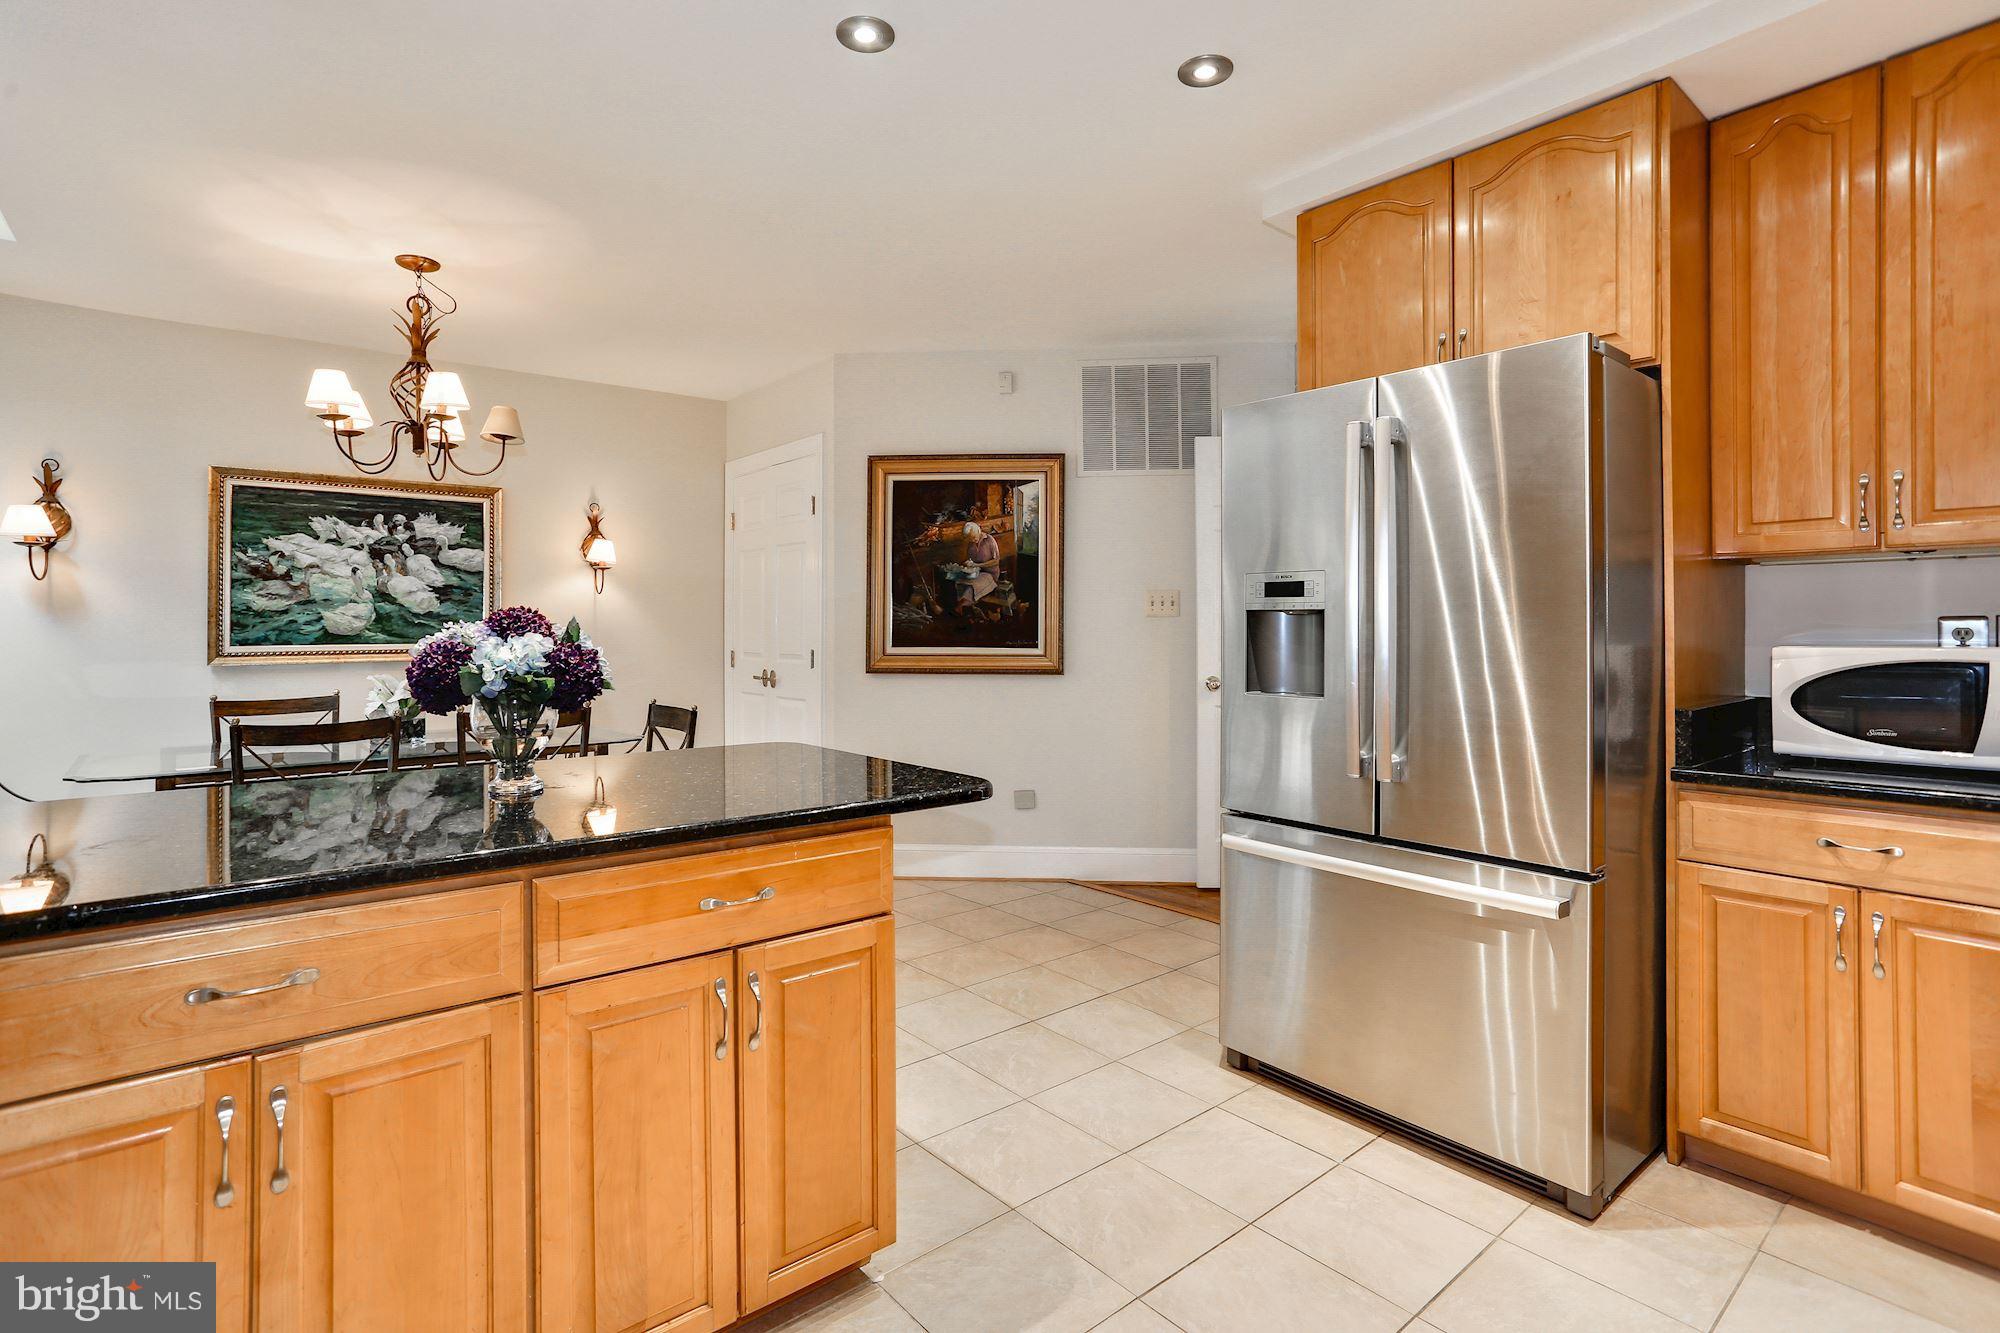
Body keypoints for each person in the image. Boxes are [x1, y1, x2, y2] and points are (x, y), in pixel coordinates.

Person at [955, 521, 1001, 615]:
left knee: (973, 585)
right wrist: (967, 564)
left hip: (991, 574)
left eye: (973, 537)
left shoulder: (989, 540)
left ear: (978, 531)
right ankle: (964, 607)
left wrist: (977, 565)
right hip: (976, 573)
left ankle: (962, 605)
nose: (972, 540)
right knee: (959, 582)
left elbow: (996, 561)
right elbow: (970, 561)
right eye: (970, 538)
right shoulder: (971, 544)